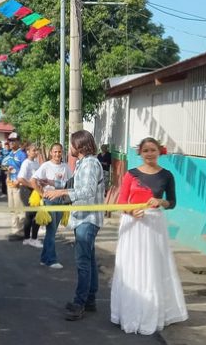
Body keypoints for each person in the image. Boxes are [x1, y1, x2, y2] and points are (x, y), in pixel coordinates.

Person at [111, 138, 188, 334]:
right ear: (140, 153)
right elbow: (121, 201)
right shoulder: (131, 174)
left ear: (159, 152)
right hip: (133, 223)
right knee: (132, 266)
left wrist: (160, 202)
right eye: (146, 150)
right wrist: (130, 212)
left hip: (154, 225)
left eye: (153, 150)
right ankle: (130, 311)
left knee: (153, 267)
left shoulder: (167, 176)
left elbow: (172, 202)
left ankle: (152, 312)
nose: (149, 153)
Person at [44, 130, 105, 321]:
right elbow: (73, 183)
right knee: (89, 260)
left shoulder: (89, 164)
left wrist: (62, 193)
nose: (68, 148)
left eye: (71, 144)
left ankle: (79, 304)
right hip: (84, 218)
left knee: (83, 262)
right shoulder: (83, 164)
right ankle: (90, 300)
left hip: (87, 219)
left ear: (79, 146)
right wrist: (53, 184)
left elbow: (86, 191)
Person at [31, 143, 71, 268]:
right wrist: (41, 193)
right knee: (51, 230)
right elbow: (33, 180)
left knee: (52, 231)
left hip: (61, 202)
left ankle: (44, 258)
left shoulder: (66, 167)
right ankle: (51, 260)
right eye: (55, 152)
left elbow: (70, 183)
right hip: (49, 202)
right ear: (50, 153)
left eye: (59, 152)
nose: (57, 154)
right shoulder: (46, 166)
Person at [2, 132, 28, 240]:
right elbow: (7, 168)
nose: (11, 142)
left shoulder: (22, 155)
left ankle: (20, 232)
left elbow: (25, 170)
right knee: (12, 208)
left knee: (19, 209)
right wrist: (7, 176)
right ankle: (14, 230)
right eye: (10, 140)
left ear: (18, 141)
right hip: (10, 184)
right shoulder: (9, 154)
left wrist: (19, 181)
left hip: (19, 185)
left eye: (14, 140)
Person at [16, 143, 42, 248]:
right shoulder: (26, 163)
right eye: (33, 150)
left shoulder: (36, 163)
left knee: (36, 214)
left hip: (34, 191)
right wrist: (31, 185)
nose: (36, 152)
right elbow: (20, 179)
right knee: (31, 214)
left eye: (36, 150)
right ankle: (30, 238)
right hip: (26, 190)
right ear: (28, 152)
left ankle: (30, 238)